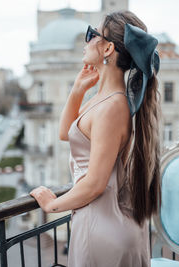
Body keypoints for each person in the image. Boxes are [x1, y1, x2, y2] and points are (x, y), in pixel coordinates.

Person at [30, 10, 161, 266]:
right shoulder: (103, 100)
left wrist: (52, 206)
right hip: (98, 221)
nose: (86, 41)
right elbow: (65, 132)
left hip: (102, 227)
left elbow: (95, 183)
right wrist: (78, 90)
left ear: (108, 48)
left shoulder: (113, 106)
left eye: (91, 34)